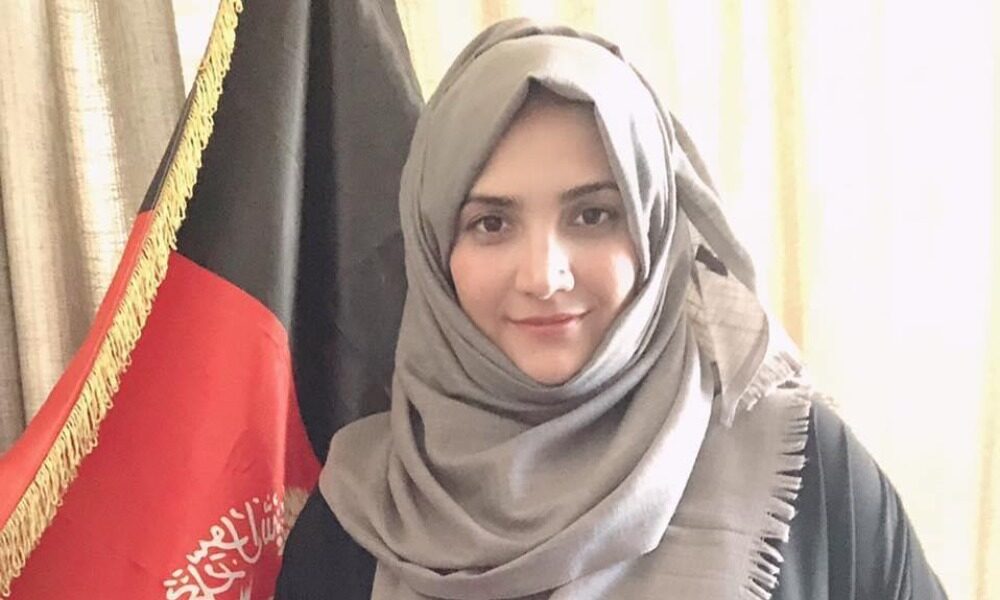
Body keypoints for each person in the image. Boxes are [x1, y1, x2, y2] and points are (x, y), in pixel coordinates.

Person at [276, 18, 946, 599]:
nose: (544, 276)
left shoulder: (805, 474)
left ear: (655, 230)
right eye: (491, 224)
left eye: (592, 215)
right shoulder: (357, 522)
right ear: (432, 248)